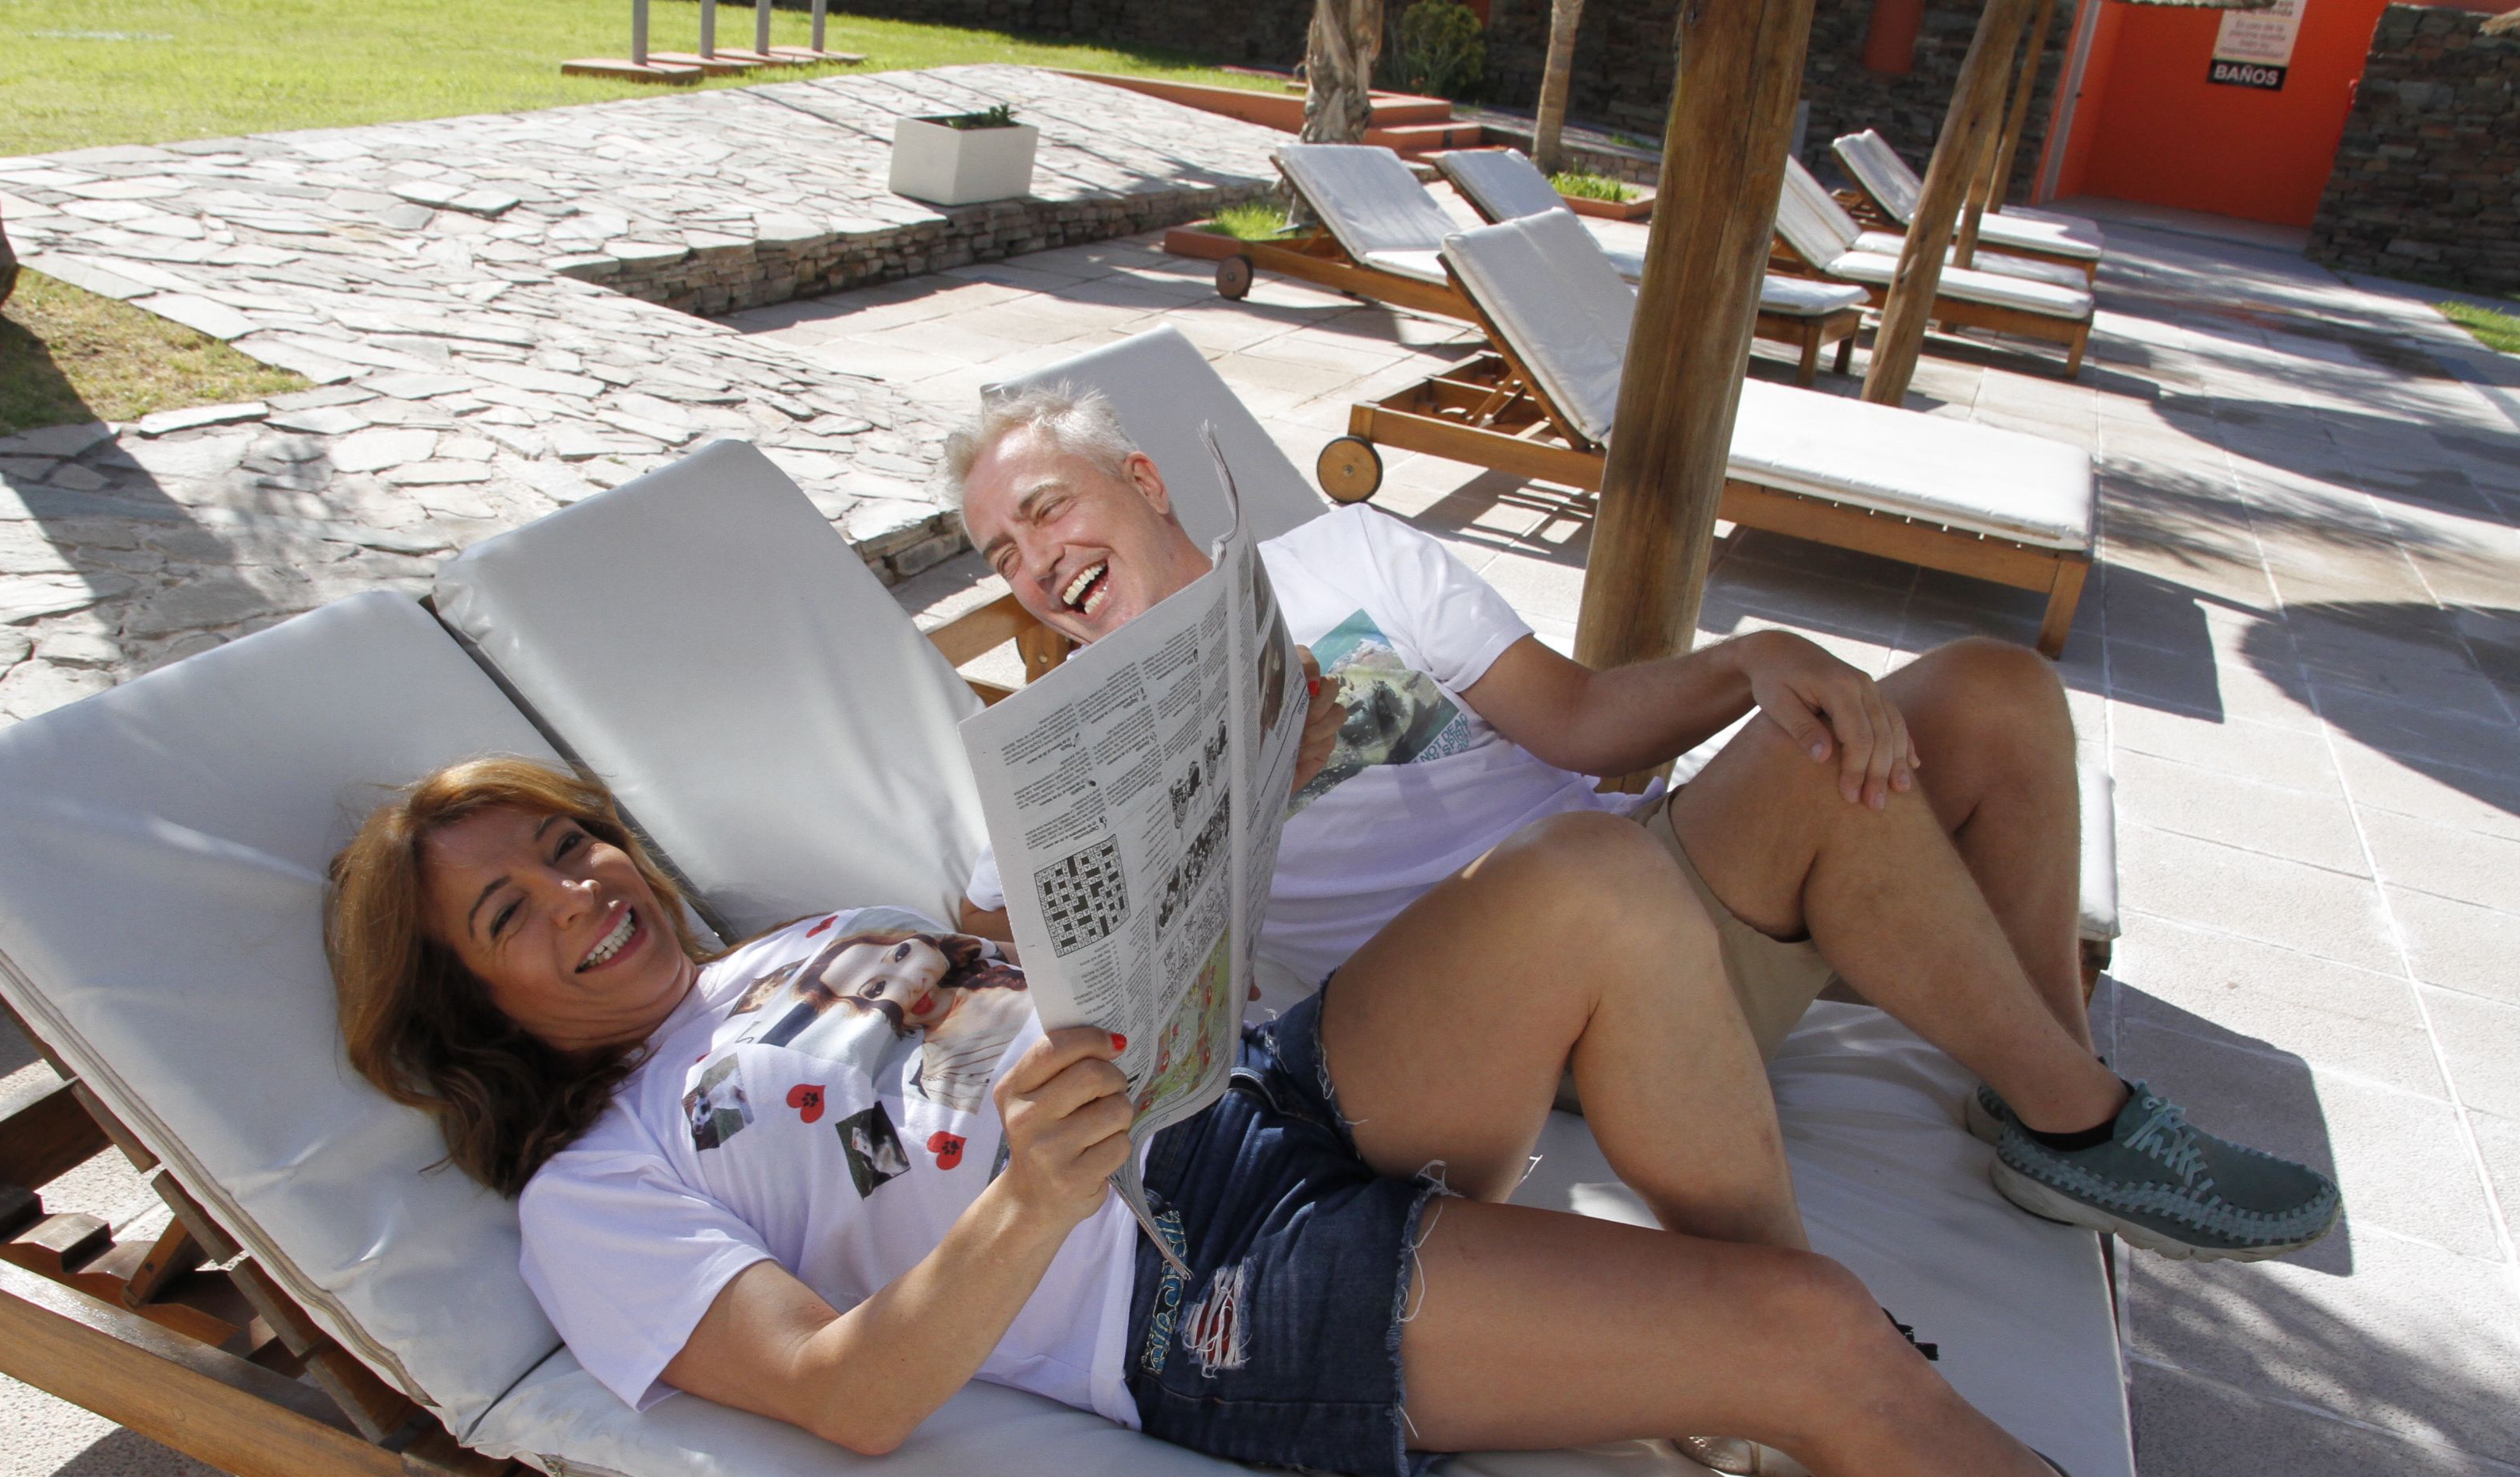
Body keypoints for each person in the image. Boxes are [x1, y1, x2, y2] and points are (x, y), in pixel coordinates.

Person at [326, 758, 2520, 1477]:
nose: (577, 895)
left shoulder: (800, 935)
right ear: (478, 1009)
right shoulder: (599, 1188)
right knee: (1814, 1337)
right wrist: (1019, 1209)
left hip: (1249, 1084)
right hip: (1188, 1283)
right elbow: (837, 1394)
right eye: (510, 914)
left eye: (567, 846)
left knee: (1588, 874)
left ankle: (1813, 1389)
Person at [946, 386, 2340, 1266]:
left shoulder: (1349, 559)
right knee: (1628, 846)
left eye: (1047, 509)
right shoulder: (1074, 744)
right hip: (1476, 1011)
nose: (1035, 561)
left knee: (1993, 691)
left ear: (1146, 481)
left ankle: (2047, 1094)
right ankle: (2089, 1125)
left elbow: (1583, 722)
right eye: (1002, 553)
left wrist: (1753, 659)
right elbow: (995, 919)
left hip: (1646, 877)